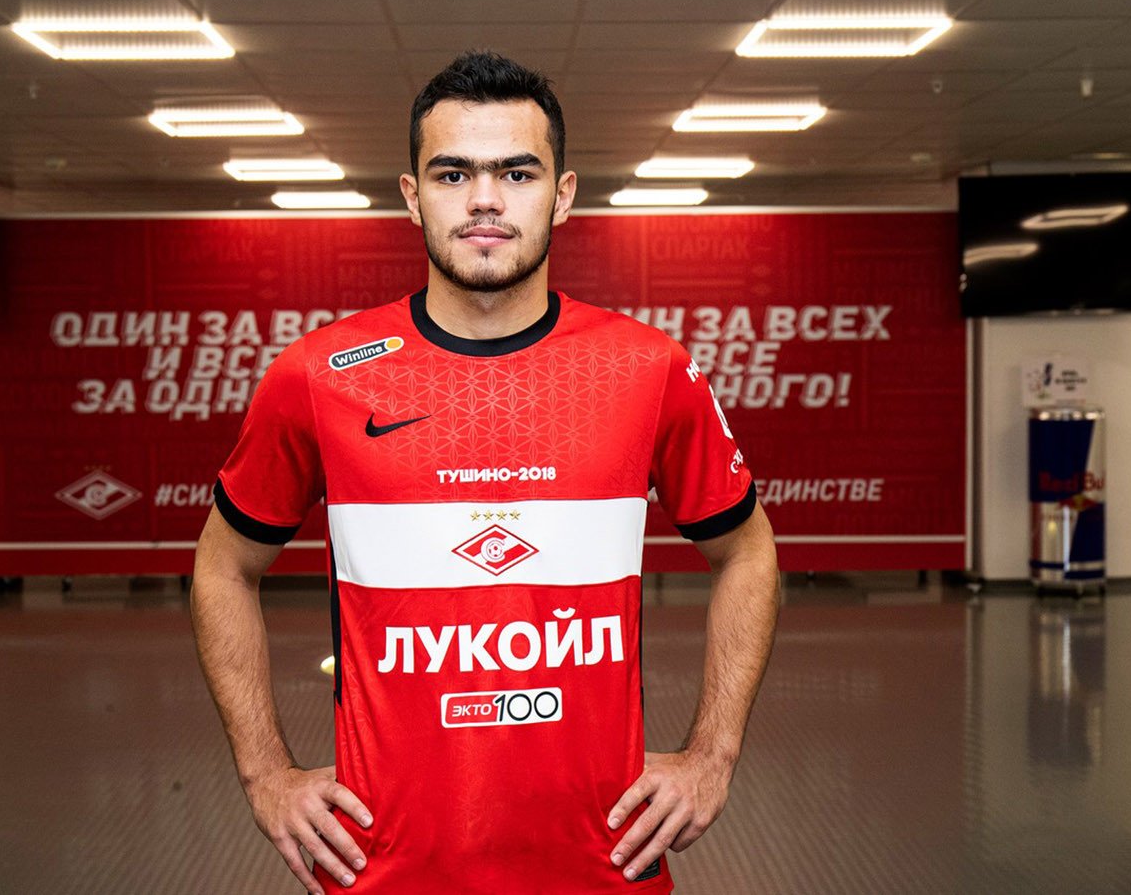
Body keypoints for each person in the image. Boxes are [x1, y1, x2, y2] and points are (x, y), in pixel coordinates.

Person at [190, 51, 780, 895]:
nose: (485, 200)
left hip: (601, 866)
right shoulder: (318, 376)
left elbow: (748, 551)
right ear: (412, 195)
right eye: (453, 173)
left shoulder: (647, 369)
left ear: (562, 195)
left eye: (517, 172)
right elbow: (222, 565)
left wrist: (712, 755)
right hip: (385, 869)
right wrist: (266, 775)